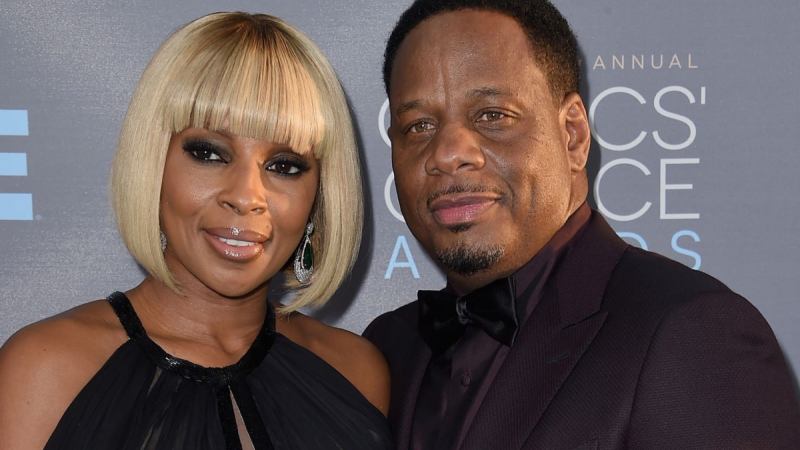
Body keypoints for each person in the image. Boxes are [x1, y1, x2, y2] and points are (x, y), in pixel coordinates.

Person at [364, 1, 800, 448]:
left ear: (573, 135)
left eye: (492, 115)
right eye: (418, 126)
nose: (447, 153)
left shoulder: (692, 334)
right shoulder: (381, 353)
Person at [0, 12, 391, 450]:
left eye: (284, 166)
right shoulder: (46, 370)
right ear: (153, 162)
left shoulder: (355, 371)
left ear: (318, 196)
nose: (245, 196)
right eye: (209, 154)